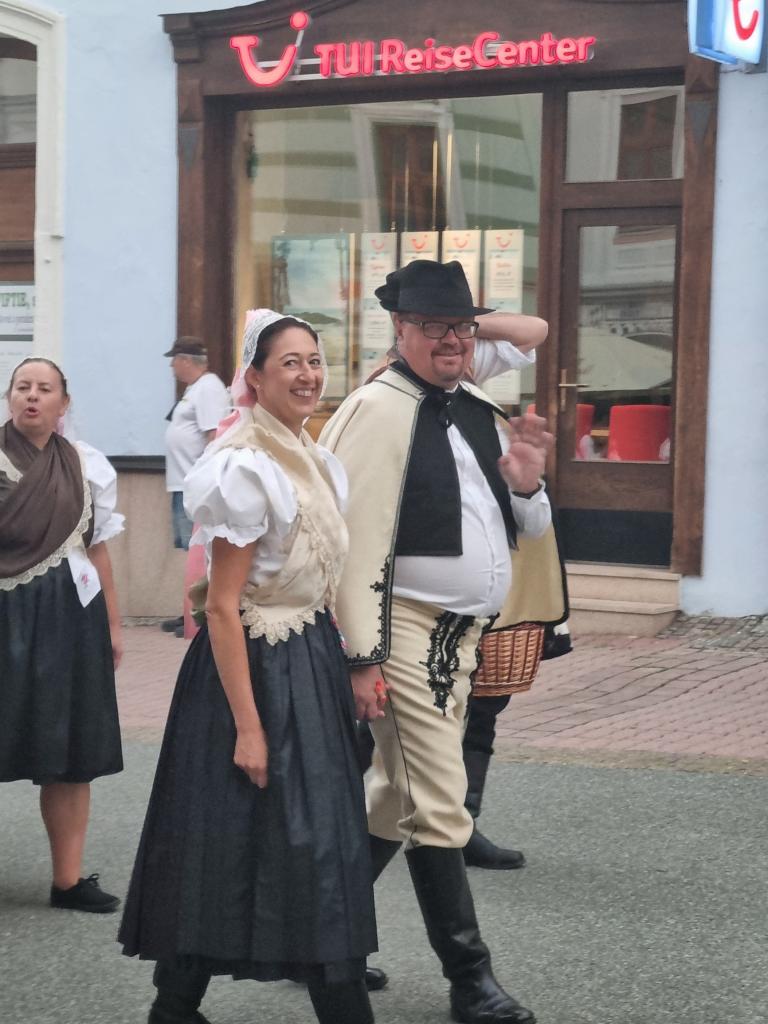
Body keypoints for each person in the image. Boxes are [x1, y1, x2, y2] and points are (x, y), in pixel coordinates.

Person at [320, 260, 568, 1024]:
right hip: (400, 629)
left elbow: (530, 528)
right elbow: (349, 546)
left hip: (460, 638)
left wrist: (525, 483)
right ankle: (472, 980)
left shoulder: (473, 406)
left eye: (461, 325)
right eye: (435, 326)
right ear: (401, 330)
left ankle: (319, 943)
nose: (454, 340)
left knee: (395, 799)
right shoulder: (375, 409)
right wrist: (362, 656)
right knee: (436, 799)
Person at [119, 311, 378, 1024]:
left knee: (316, 841)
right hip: (250, 670)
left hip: (309, 659)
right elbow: (222, 607)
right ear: (255, 378)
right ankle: (177, 1005)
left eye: (314, 360)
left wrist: (359, 663)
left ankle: (179, 1007)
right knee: (228, 837)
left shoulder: (313, 457)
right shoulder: (244, 466)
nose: (307, 374)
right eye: (289, 362)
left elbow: (330, 579)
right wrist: (249, 727)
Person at [0, 357, 125, 913]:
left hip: (71, 621)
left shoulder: (85, 464)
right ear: (10, 397)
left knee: (72, 749)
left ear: (63, 403)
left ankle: (68, 880)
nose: (32, 396)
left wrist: (114, 625)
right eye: (22, 387)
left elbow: (97, 550)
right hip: (5, 618)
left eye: (44, 388)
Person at [163, 337, 229, 636]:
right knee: (190, 550)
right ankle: (189, 610)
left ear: (186, 360)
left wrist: (206, 479)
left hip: (195, 484)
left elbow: (214, 435)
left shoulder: (209, 388)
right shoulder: (194, 389)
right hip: (182, 481)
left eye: (174, 360)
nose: (172, 366)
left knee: (202, 550)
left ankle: (201, 613)